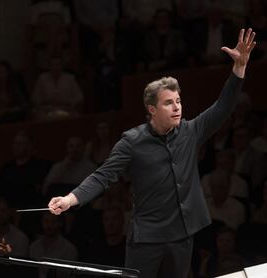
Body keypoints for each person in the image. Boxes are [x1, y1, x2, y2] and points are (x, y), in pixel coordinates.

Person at [48, 28, 256, 278]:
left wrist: (239, 69)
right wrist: (71, 199)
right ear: (152, 109)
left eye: (178, 101)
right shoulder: (132, 141)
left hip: (182, 235)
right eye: (169, 103)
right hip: (147, 238)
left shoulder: (191, 131)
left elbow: (223, 107)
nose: (177, 107)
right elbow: (103, 175)